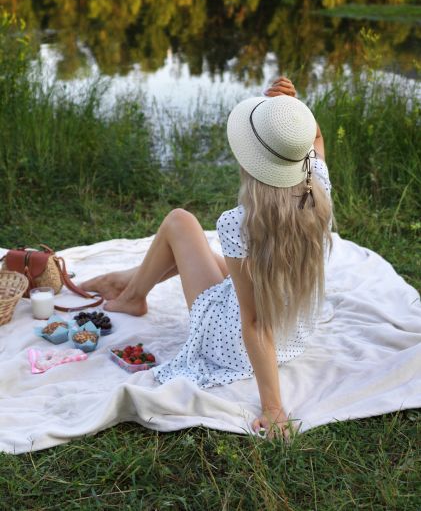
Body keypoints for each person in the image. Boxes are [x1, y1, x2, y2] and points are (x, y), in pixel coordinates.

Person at [81, 77, 332, 439]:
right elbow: (316, 139)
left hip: (233, 344)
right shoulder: (317, 187)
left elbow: (256, 323)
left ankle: (133, 293)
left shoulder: (239, 223)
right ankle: (132, 282)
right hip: (290, 334)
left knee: (180, 222)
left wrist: (274, 408)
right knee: (206, 254)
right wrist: (289, 116)